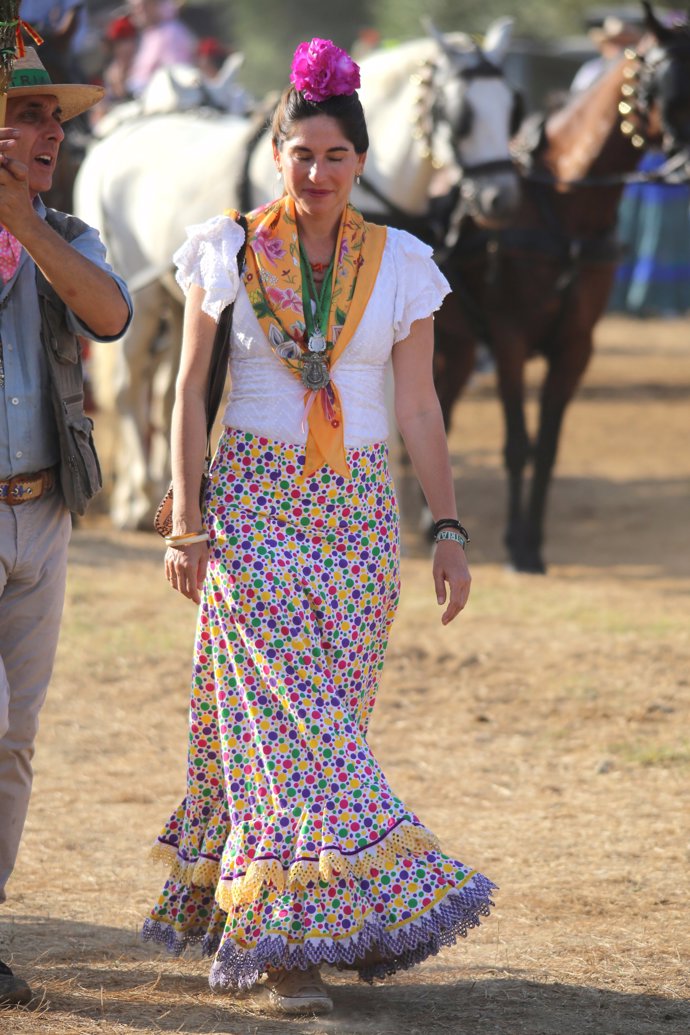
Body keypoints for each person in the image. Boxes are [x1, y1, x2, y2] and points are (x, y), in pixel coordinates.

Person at [143, 37, 496, 1016]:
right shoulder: (224, 249)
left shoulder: (404, 264)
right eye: (301, 154)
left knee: (329, 723)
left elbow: (418, 405)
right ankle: (288, 946)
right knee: (282, 729)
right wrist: (187, 519)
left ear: (361, 161)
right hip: (252, 508)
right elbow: (189, 391)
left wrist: (449, 527)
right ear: (275, 155)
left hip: (359, 519)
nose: (318, 173)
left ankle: (310, 909)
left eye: (336, 156)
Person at [0, 48, 132, 1007]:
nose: (55, 132)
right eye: (30, 114)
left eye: (58, 116)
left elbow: (111, 314)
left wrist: (22, 224)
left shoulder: (67, 233)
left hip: (44, 511)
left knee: (16, 742)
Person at [126, 0, 197, 97]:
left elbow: (176, 76)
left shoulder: (171, 32)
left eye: (143, 6)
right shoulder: (152, 32)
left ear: (156, 5)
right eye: (135, 7)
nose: (138, 11)